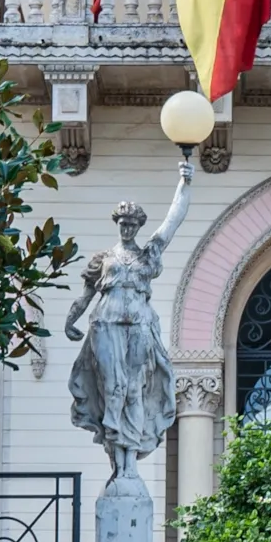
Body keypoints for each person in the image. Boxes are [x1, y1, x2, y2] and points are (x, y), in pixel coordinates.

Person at [63, 159, 194, 476]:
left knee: (135, 389)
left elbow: (172, 221)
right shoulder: (103, 259)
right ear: (117, 224)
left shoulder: (148, 254)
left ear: (138, 226)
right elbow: (85, 296)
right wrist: (70, 320)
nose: (127, 227)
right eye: (123, 222)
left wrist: (184, 183)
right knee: (113, 390)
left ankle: (130, 463)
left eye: (132, 224)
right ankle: (116, 461)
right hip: (105, 325)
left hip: (139, 325)